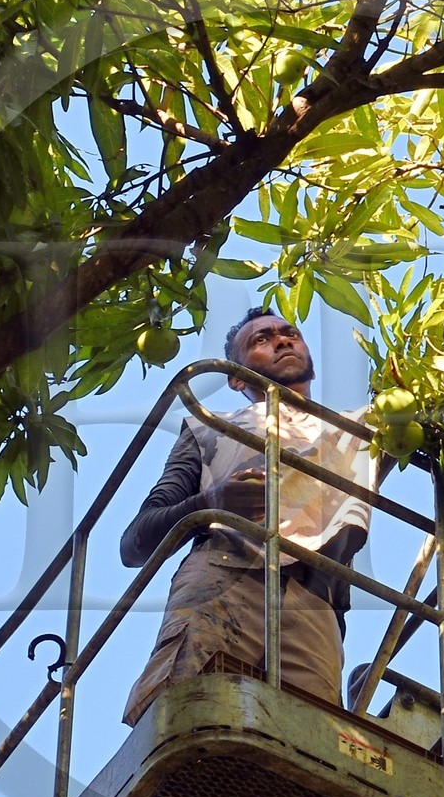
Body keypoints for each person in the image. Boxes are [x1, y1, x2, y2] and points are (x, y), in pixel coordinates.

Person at [119, 309, 374, 723]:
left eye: (291, 333)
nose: (282, 341)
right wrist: (211, 502)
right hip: (222, 577)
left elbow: (437, 388)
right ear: (236, 379)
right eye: (262, 339)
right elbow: (135, 544)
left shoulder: (358, 430)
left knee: (308, 746)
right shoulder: (208, 428)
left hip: (313, 604)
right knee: (189, 717)